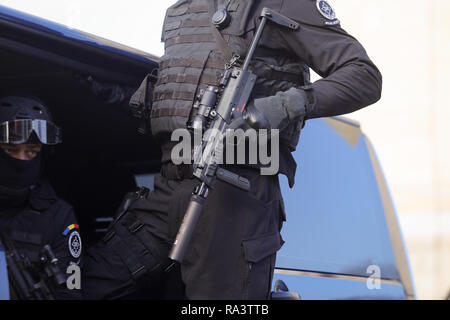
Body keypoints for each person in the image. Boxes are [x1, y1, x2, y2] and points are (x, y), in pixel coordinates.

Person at [83, 0, 382, 300]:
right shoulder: (185, 9)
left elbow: (363, 76)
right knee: (82, 288)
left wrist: (281, 107)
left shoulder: (283, 4)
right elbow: (180, 94)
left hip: (234, 196)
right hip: (169, 188)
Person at [0, 95, 82, 300]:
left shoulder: (58, 216)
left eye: (31, 152)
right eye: (11, 150)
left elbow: (71, 292)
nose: (21, 160)